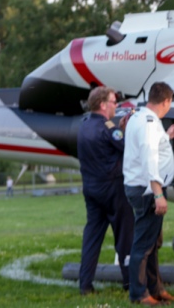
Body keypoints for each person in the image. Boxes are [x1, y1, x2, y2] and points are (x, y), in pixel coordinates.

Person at [123, 82, 174, 306]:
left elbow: (151, 145)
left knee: (151, 243)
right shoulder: (148, 123)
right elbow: (149, 156)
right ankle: (139, 293)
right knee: (144, 245)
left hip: (143, 187)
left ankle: (155, 288)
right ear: (166, 101)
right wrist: (158, 194)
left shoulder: (141, 117)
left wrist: (166, 136)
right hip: (147, 190)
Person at [77, 86, 134, 295]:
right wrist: (123, 130)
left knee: (92, 238)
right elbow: (126, 146)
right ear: (102, 105)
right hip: (113, 190)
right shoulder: (108, 128)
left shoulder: (83, 126)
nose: (116, 106)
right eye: (113, 102)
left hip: (91, 190)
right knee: (125, 237)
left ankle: (85, 285)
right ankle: (130, 282)